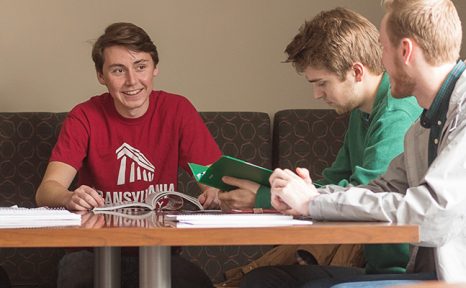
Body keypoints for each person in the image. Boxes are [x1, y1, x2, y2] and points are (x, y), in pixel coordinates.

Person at [214, 7, 423, 288]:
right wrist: (285, 189)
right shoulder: (362, 113)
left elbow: (366, 194)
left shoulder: (396, 115)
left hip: (399, 270)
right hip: (375, 264)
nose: (316, 94)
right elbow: (334, 180)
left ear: (356, 71)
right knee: (263, 279)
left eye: (322, 83)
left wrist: (264, 199)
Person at [269, 0, 466, 286]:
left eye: (383, 49)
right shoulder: (424, 125)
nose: (380, 62)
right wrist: (310, 198)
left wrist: (312, 203)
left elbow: (431, 215)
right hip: (431, 274)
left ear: (405, 51)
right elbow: (384, 187)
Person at [35, 22, 221, 288]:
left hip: (159, 251)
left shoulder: (177, 110)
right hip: (91, 252)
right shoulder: (84, 116)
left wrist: (215, 193)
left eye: (141, 67)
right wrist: (70, 196)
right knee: (75, 276)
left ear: (155, 68)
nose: (132, 81)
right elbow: (46, 191)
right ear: (101, 75)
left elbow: (216, 182)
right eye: (118, 70)